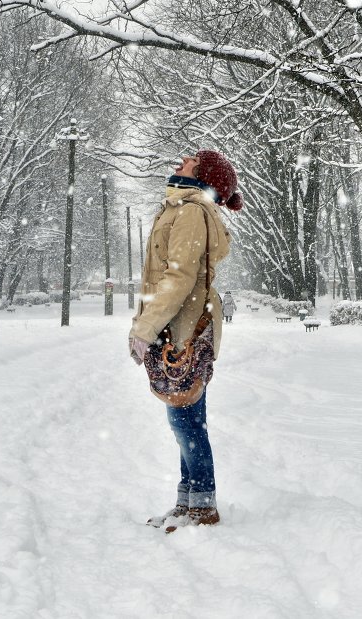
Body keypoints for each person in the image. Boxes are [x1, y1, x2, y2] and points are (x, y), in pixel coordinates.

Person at [129, 149, 243, 533]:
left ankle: (203, 507)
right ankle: (188, 503)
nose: (183, 160)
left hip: (184, 328)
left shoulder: (192, 212)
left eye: (193, 159)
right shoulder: (180, 207)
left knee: (185, 422)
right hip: (176, 326)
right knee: (187, 418)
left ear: (204, 175)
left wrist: (145, 329)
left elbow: (178, 279)